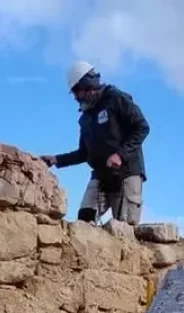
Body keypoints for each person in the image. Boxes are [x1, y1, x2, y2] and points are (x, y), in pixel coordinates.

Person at [40, 61, 150, 226]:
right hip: (101, 177)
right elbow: (84, 153)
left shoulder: (115, 98)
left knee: (122, 229)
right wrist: (57, 160)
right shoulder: (85, 118)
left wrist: (120, 154)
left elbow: (142, 127)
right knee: (84, 222)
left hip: (126, 174)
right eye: (74, 93)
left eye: (77, 91)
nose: (76, 97)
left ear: (88, 84)